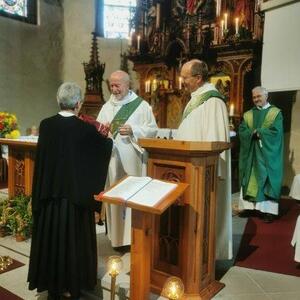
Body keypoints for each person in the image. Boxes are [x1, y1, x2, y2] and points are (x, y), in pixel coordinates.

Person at [27, 82, 113, 299]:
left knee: (52, 241)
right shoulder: (85, 129)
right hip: (75, 201)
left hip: (49, 199)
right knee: (73, 244)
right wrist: (107, 136)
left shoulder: (46, 125)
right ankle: (74, 283)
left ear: (59, 101)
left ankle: (52, 282)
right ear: (78, 103)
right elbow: (102, 150)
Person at [175, 59, 232, 260]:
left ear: (198, 78)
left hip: (204, 173)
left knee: (205, 218)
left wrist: (212, 172)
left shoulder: (213, 101)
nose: (182, 81)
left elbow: (216, 140)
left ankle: (205, 257)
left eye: (185, 77)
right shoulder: (195, 98)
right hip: (189, 169)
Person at [97, 70, 157, 248]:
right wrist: (102, 130)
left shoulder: (141, 105)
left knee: (132, 196)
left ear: (127, 84)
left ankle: (133, 238)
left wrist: (134, 130)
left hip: (134, 161)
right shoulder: (107, 107)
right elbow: (99, 129)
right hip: (113, 161)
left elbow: (153, 130)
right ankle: (117, 238)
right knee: (116, 196)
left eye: (117, 86)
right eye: (111, 86)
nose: (114, 90)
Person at [238, 86, 283, 223]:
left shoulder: (275, 113)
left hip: (266, 154)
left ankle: (268, 211)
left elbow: (276, 133)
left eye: (259, 96)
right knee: (249, 177)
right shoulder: (248, 114)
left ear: (266, 96)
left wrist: (261, 133)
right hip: (251, 153)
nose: (256, 99)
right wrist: (251, 133)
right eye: (254, 97)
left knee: (268, 178)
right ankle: (249, 207)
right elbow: (242, 130)